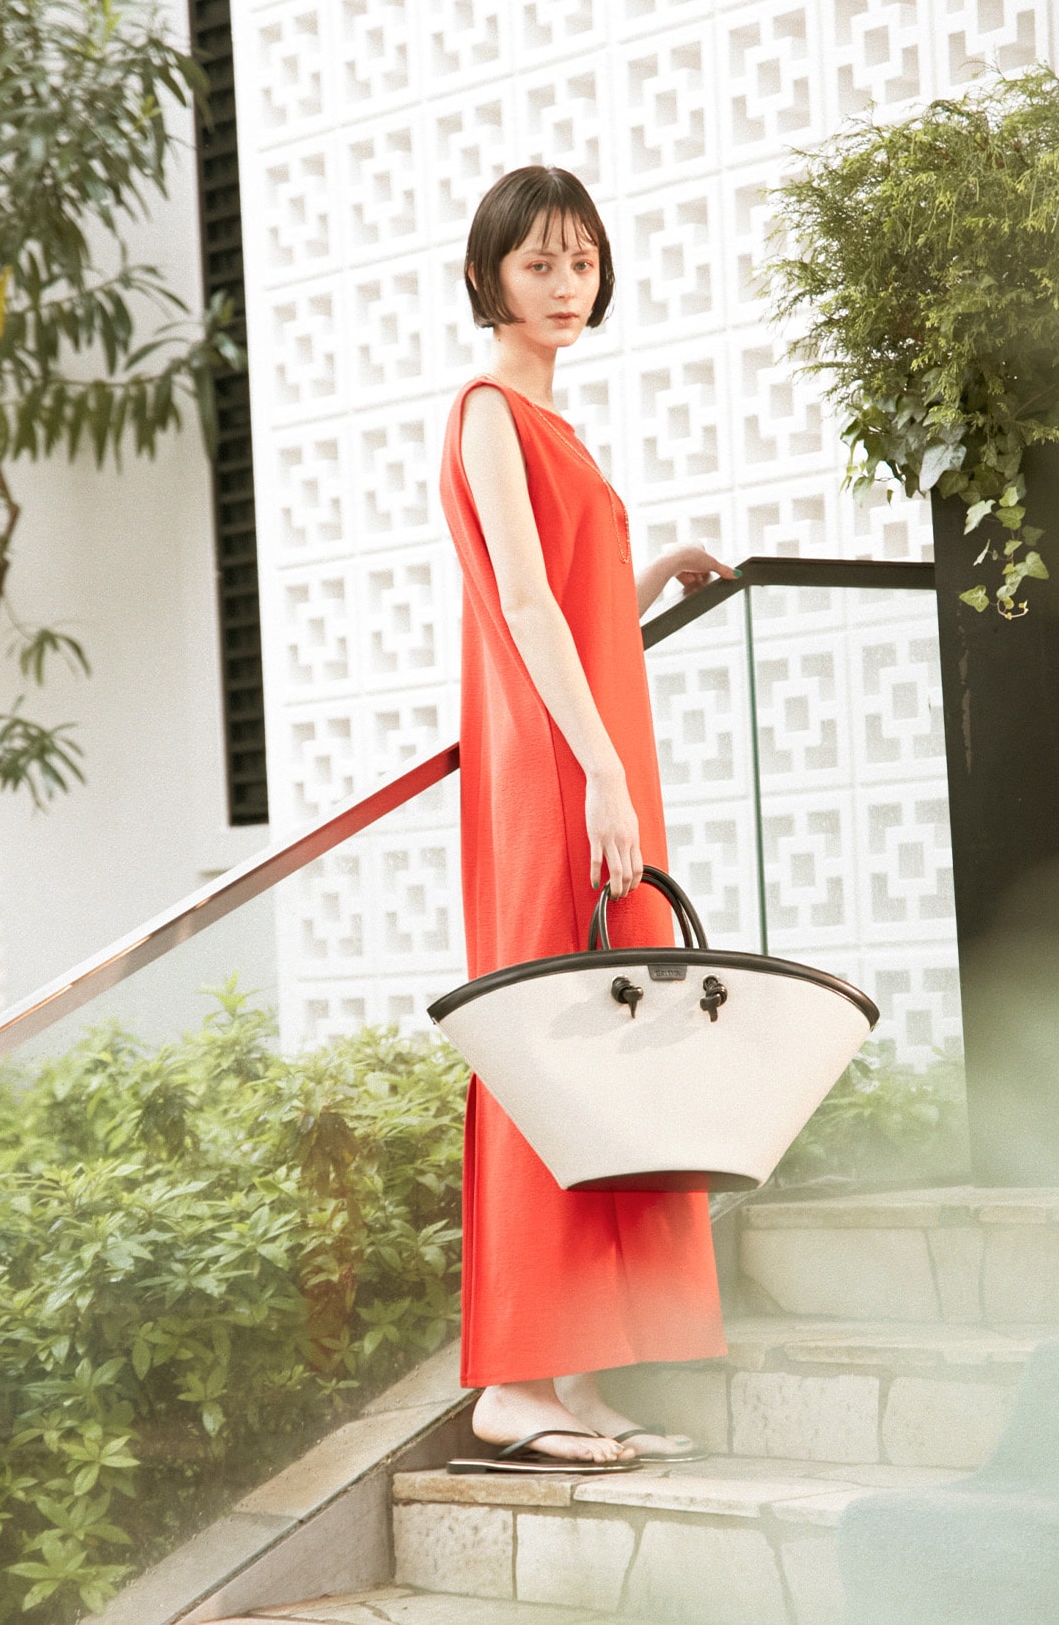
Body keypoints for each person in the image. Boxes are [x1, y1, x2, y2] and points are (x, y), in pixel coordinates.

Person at [439, 165, 734, 1469]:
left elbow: (570, 592)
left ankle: (578, 1372)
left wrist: (650, 572)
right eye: (539, 264)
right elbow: (524, 604)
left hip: (594, 759)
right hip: (558, 771)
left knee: (606, 1043)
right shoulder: (489, 411)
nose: (565, 286)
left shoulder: (552, 421)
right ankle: (513, 1382)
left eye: (582, 262)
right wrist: (602, 773)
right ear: (489, 276)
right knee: (550, 1039)